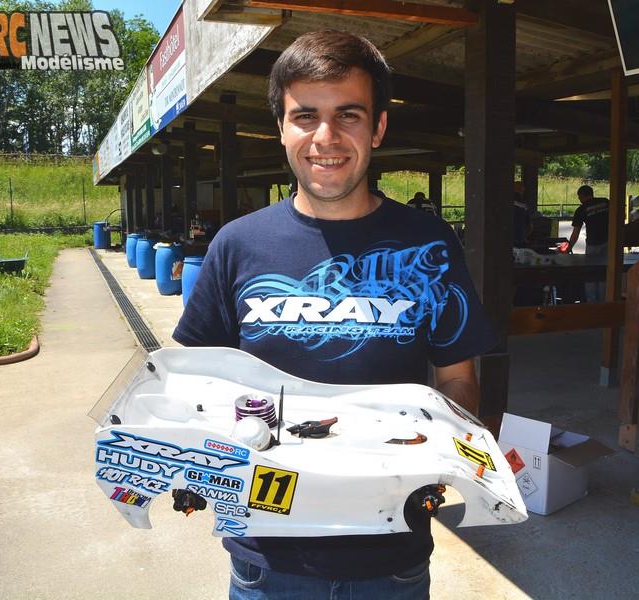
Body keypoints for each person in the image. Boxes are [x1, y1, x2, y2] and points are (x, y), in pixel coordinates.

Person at [173, 29, 496, 600]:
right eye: (305, 116)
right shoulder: (237, 245)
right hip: (266, 559)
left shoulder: (428, 243)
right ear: (281, 128)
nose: (326, 137)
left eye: (348, 114)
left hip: (391, 556)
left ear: (378, 127)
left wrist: (443, 450)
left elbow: (458, 378)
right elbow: (193, 383)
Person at [567, 185, 609, 302]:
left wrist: (569, 247)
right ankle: (604, 302)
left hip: (593, 244)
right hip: (609, 242)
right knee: (604, 273)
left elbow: (575, 233)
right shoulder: (605, 202)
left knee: (590, 273)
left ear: (581, 196)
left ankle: (592, 303)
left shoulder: (581, 210)